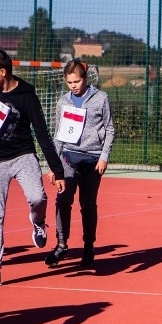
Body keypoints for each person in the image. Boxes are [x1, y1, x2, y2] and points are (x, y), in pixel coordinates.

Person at [0, 49, 65, 288]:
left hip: (22, 155)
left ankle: (38, 222)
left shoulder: (26, 94)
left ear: (2, 71)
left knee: (38, 197)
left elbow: (42, 133)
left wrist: (57, 170)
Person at [44, 60, 115, 268]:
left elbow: (110, 129)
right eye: (69, 82)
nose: (73, 86)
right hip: (68, 159)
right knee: (63, 201)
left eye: (76, 81)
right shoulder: (63, 101)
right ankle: (61, 244)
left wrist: (104, 156)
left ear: (85, 78)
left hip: (93, 161)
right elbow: (58, 135)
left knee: (88, 205)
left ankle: (88, 247)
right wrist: (54, 165)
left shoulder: (101, 98)